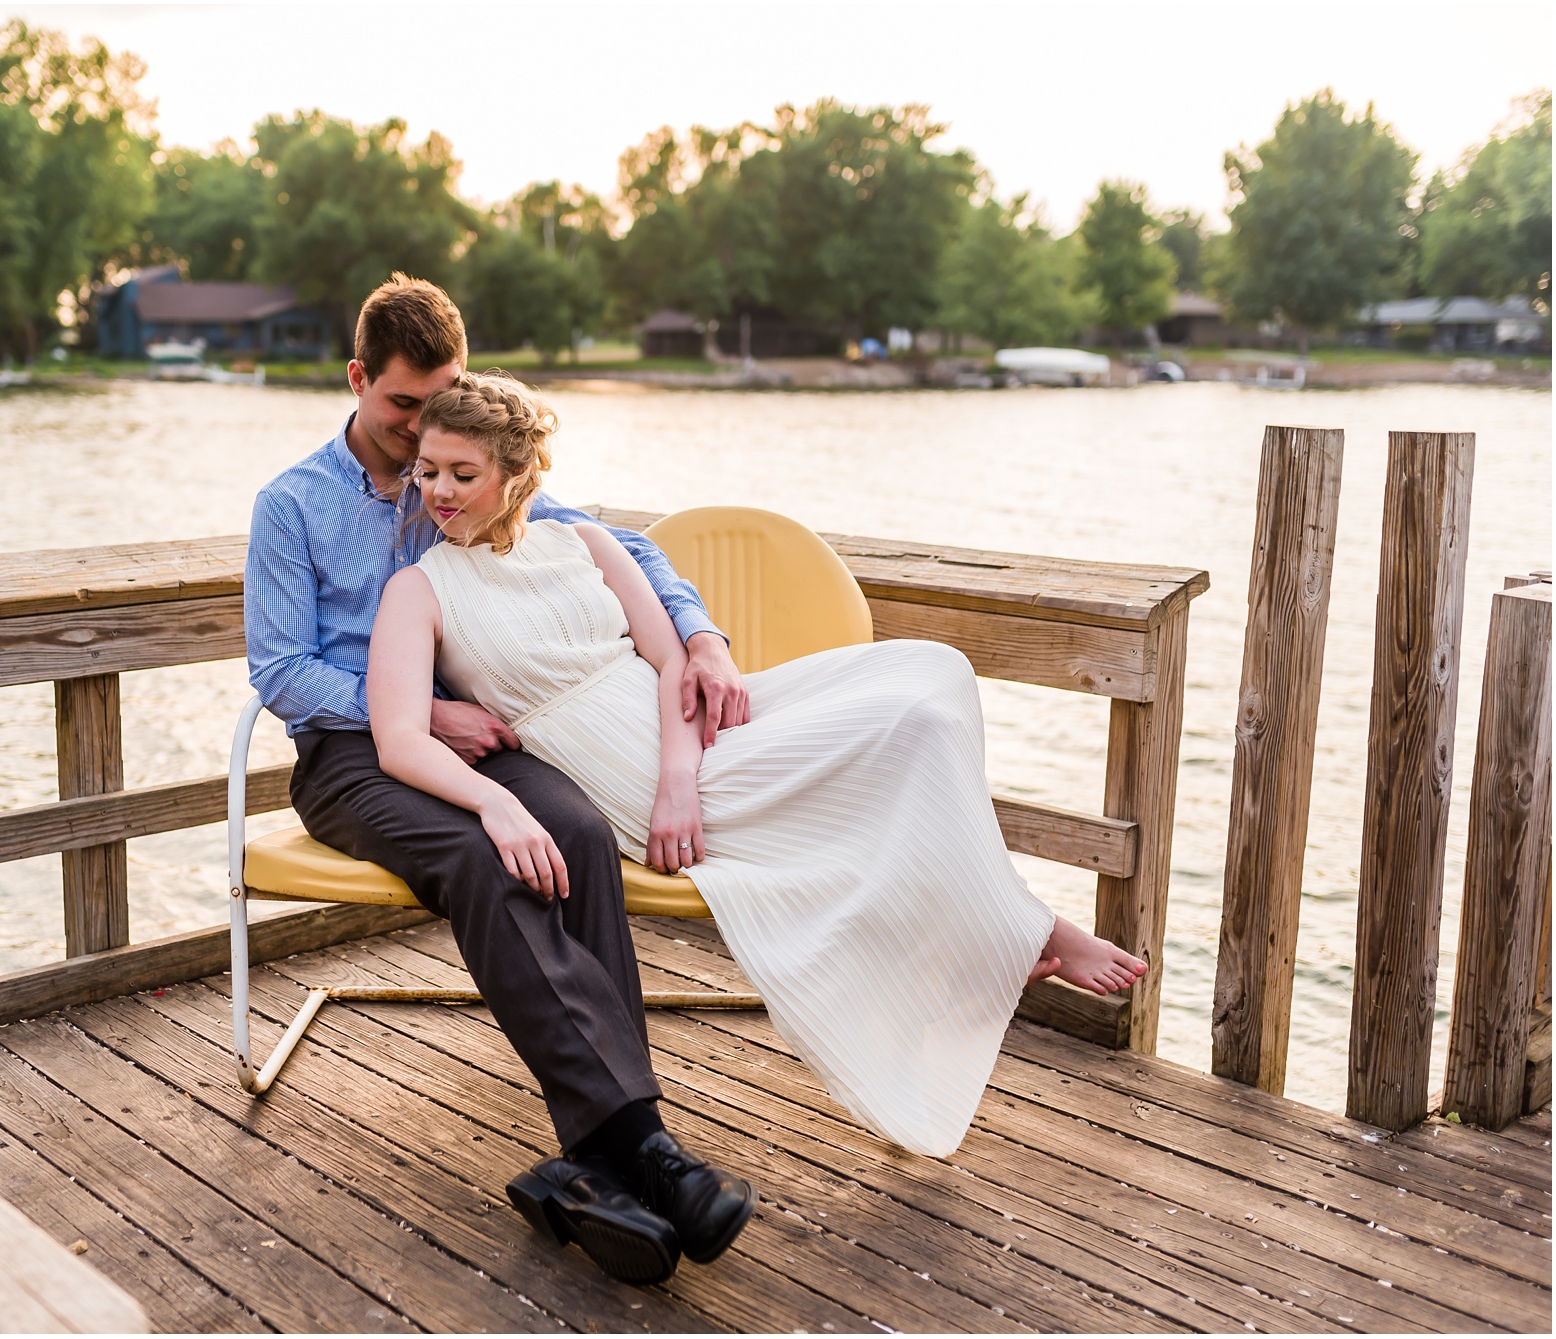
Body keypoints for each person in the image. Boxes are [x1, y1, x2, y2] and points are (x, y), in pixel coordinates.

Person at [367, 371, 1148, 1164]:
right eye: (428, 471)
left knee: (931, 681)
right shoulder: (418, 589)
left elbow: (673, 663)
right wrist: (495, 801)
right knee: (899, 740)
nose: (439, 491)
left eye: (463, 474)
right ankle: (1013, 933)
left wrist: (681, 777)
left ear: (516, 474)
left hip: (687, 749)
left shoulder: (587, 544)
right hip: (615, 775)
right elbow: (399, 738)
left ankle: (995, 934)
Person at [244, 275, 757, 1287]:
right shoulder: (292, 505)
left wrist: (698, 633)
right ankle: (642, 1145)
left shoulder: (463, 461)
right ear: (356, 381)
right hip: (355, 755)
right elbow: (277, 668)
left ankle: (586, 1164)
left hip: (484, 739)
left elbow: (630, 549)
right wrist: (419, 708)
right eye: (402, 406)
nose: (423, 430)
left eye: (443, 398)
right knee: (483, 857)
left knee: (569, 831)